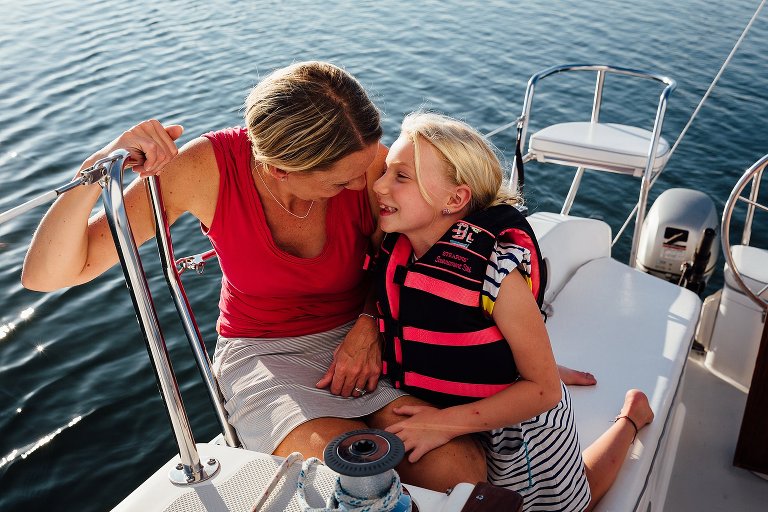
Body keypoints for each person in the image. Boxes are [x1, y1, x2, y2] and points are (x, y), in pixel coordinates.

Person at [21, 61, 487, 491]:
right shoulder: (206, 169)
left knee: (455, 467)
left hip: (365, 336)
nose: (365, 186)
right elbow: (48, 275)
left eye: (363, 171)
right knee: (343, 469)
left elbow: (398, 256)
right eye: (339, 182)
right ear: (280, 170)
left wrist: (369, 324)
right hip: (264, 349)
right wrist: (100, 167)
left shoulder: (362, 158)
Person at [370, 111, 654, 510]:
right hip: (451, 399)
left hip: (515, 430)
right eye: (384, 171)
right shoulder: (397, 249)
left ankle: (631, 419)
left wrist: (444, 422)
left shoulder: (496, 273)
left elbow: (542, 389)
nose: (379, 185)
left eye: (401, 177)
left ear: (455, 199)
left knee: (575, 504)